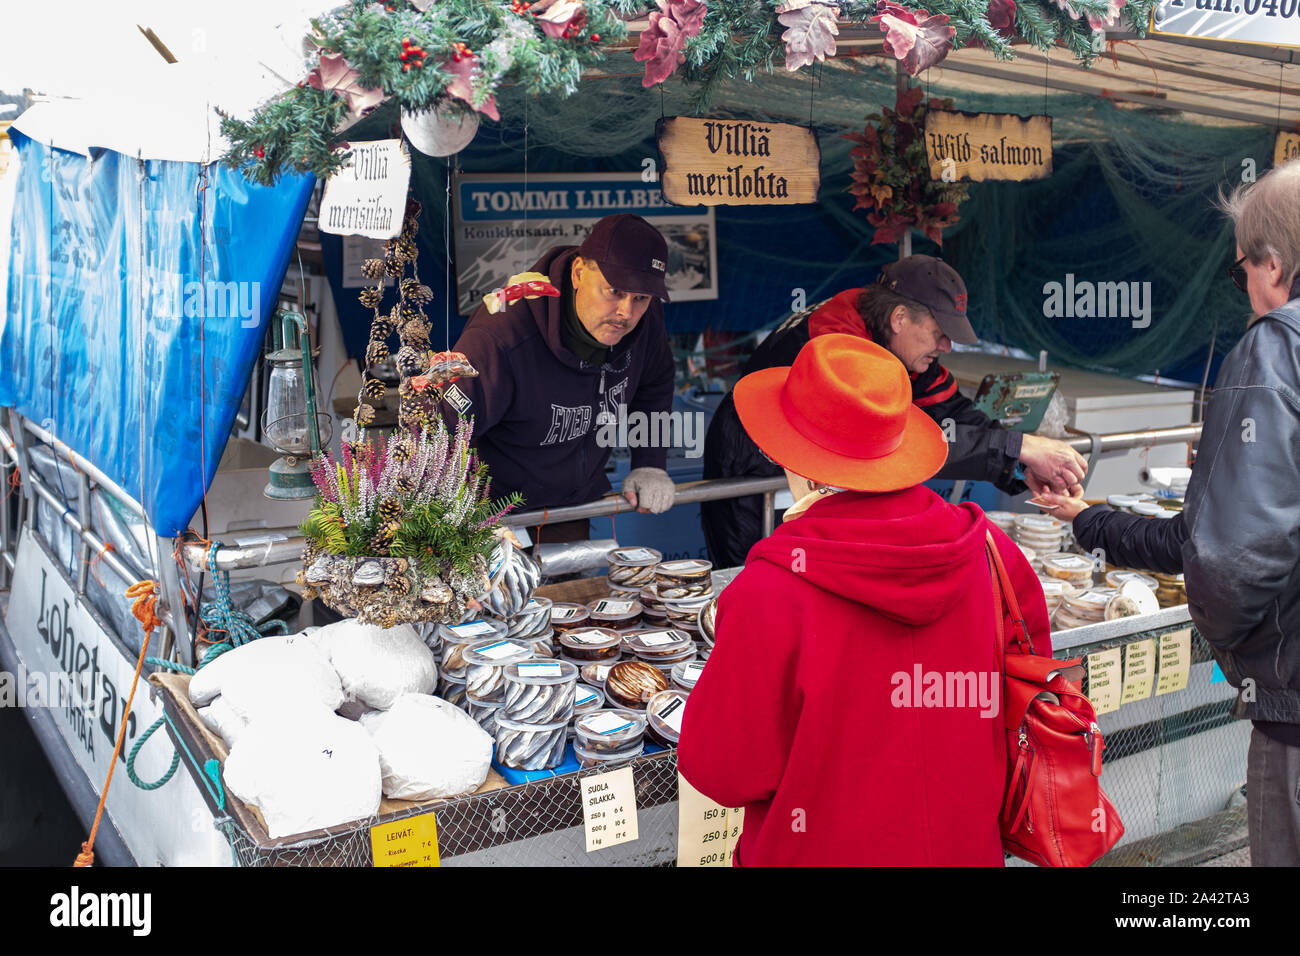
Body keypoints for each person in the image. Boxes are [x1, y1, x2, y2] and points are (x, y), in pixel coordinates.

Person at [677, 333, 1052, 866]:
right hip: (965, 849)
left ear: (798, 460)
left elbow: (725, 771)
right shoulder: (991, 552)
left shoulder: (773, 587)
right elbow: (1027, 693)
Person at [1039, 162, 1300, 865]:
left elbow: (1226, 555)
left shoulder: (1278, 348)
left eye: (1243, 266)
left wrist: (1227, 644)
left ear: (1273, 265)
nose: (1244, 283)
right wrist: (1089, 520)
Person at [701, 254, 1088, 568]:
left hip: (810, 464)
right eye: (940, 332)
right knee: (753, 575)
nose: (947, 346)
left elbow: (951, 416)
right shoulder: (838, 341)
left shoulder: (897, 340)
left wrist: (1021, 463)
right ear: (900, 318)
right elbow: (894, 444)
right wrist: (1017, 446)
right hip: (752, 454)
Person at [438, 214, 678, 544]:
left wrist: (650, 462)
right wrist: (462, 517)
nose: (626, 311)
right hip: (493, 518)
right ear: (579, 273)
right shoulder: (502, 333)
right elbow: (436, 428)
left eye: (640, 298)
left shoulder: (643, 318)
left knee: (572, 593)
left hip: (572, 508)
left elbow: (656, 381)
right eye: (614, 291)